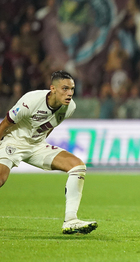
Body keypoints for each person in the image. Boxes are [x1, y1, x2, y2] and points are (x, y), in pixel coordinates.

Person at [0, 71, 97, 234]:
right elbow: (4, 125)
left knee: (78, 166)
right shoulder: (31, 101)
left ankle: (71, 220)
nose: (69, 93)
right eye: (65, 89)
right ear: (53, 88)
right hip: (13, 141)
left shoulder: (69, 107)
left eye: (72, 89)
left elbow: (49, 127)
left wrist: (38, 144)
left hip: (36, 145)